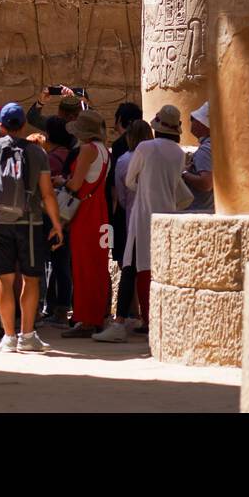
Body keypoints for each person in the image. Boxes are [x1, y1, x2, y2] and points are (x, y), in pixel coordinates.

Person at [0, 102, 64, 353]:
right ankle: (27, 334)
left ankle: (8, 336)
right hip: (30, 222)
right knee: (31, 279)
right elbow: (47, 194)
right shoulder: (37, 153)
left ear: (0, 126)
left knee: (4, 279)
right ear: (24, 124)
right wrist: (57, 224)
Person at [121, 105, 193, 335]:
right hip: (167, 213)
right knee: (157, 266)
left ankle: (134, 318)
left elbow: (129, 181)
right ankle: (154, 317)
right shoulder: (179, 153)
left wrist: (144, 185)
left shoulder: (144, 148)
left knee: (136, 265)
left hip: (142, 214)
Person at [94, 117, 152, 342]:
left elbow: (121, 193)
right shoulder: (160, 157)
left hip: (131, 220)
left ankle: (123, 319)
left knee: (130, 269)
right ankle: (144, 317)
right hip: (157, 217)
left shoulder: (124, 160)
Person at [61, 109, 111, 339]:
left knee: (82, 265)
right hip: (100, 208)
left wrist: (61, 181)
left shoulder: (87, 150)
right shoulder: (104, 151)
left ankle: (85, 318)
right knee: (98, 265)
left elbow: (75, 184)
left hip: (86, 210)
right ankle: (98, 315)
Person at [39, 116, 75, 327]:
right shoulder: (70, 155)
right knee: (62, 263)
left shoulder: (49, 159)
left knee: (48, 262)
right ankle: (60, 307)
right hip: (68, 214)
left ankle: (51, 306)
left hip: (49, 215)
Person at [181, 101, 215, 213]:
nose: (191, 121)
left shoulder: (205, 150)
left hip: (199, 209)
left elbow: (206, 183)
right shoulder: (213, 146)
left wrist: (184, 174)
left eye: (194, 119)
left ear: (203, 124)